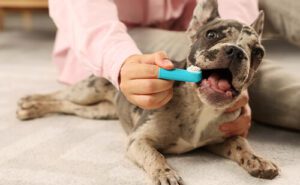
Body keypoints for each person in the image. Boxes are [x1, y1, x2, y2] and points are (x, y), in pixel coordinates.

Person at [48, 0, 300, 136]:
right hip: (119, 33)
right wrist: (121, 61)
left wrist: (241, 52)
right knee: (205, 58)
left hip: (198, 18)